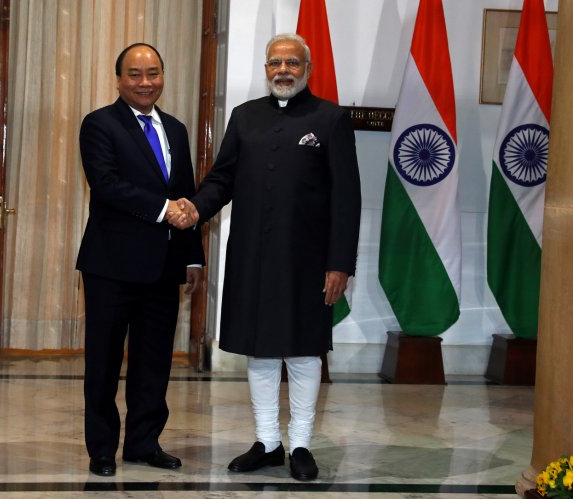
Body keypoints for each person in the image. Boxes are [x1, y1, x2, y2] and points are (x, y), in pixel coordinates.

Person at [173, 33, 361, 481]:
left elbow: (347, 198)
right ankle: (267, 441)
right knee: (258, 351)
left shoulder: (332, 119)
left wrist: (340, 263)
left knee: (302, 352)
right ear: (265, 68)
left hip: (308, 261)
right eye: (275, 62)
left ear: (307, 70)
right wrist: (197, 207)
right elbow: (222, 179)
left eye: (292, 63)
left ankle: (300, 444)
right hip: (252, 257)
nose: (283, 70)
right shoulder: (244, 117)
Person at [77, 42, 205, 477]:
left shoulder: (177, 129)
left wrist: (193, 259)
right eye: (135, 74)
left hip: (165, 266)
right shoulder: (99, 124)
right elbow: (107, 185)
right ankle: (100, 449)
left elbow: (186, 192)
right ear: (119, 79)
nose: (145, 82)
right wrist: (162, 209)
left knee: (153, 363)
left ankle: (143, 443)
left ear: (163, 77)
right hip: (110, 267)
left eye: (153, 73)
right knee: (104, 362)